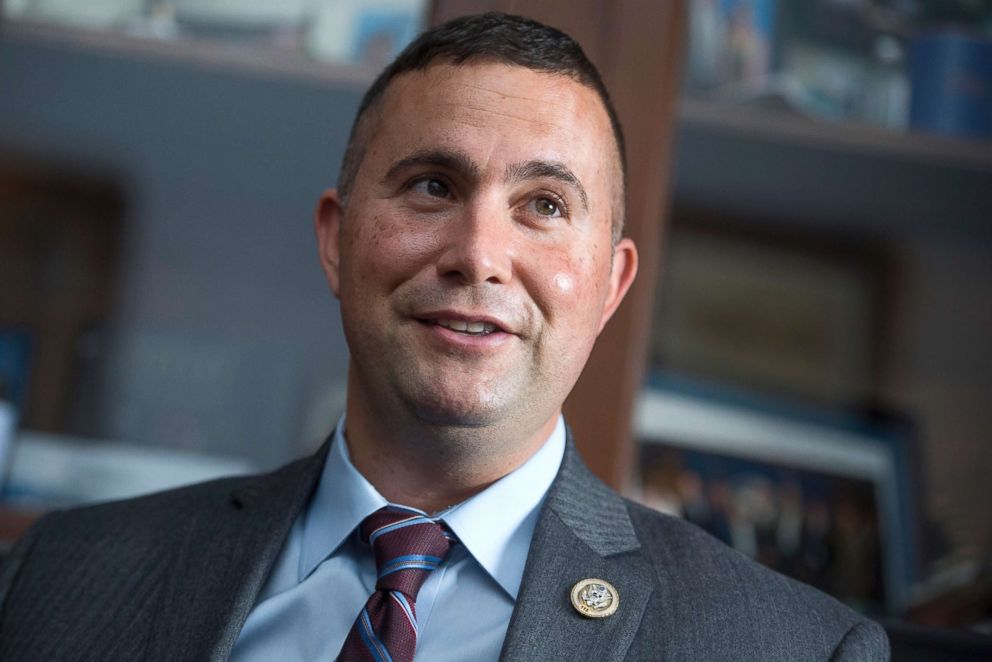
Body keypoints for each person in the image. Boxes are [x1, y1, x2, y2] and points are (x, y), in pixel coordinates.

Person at [0, 12, 889, 661]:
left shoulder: (788, 650)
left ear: (612, 284)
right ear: (335, 240)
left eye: (544, 206)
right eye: (431, 186)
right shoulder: (59, 579)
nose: (479, 255)